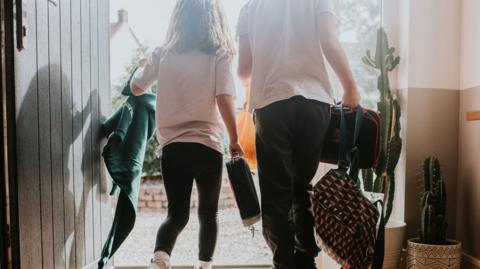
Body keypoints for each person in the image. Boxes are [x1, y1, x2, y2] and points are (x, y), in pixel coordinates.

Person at [236, 0, 361, 268]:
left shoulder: (250, 8)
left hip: (271, 104)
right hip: (314, 102)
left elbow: (244, 69)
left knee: (275, 194)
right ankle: (306, 260)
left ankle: (284, 263)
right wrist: (350, 86)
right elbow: (328, 41)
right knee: (301, 188)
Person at [130, 0, 243, 268]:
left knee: (176, 215)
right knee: (208, 214)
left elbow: (136, 87)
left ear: (178, 18)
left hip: (174, 148)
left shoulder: (163, 53)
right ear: (214, 19)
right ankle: (204, 266)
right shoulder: (219, 53)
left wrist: (143, 64)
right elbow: (225, 97)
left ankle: (160, 257)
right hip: (207, 146)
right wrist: (235, 140)